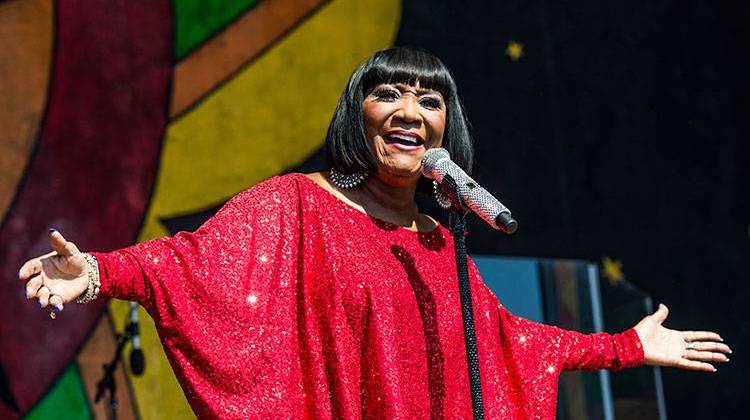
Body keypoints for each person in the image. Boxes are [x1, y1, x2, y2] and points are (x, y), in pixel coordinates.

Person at [19, 48, 730, 419]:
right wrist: (100, 274)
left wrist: (626, 347)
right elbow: (190, 265)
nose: (409, 111)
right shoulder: (297, 204)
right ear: (356, 113)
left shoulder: (440, 241)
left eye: (429, 99)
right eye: (388, 92)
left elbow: (509, 345)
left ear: (447, 128)